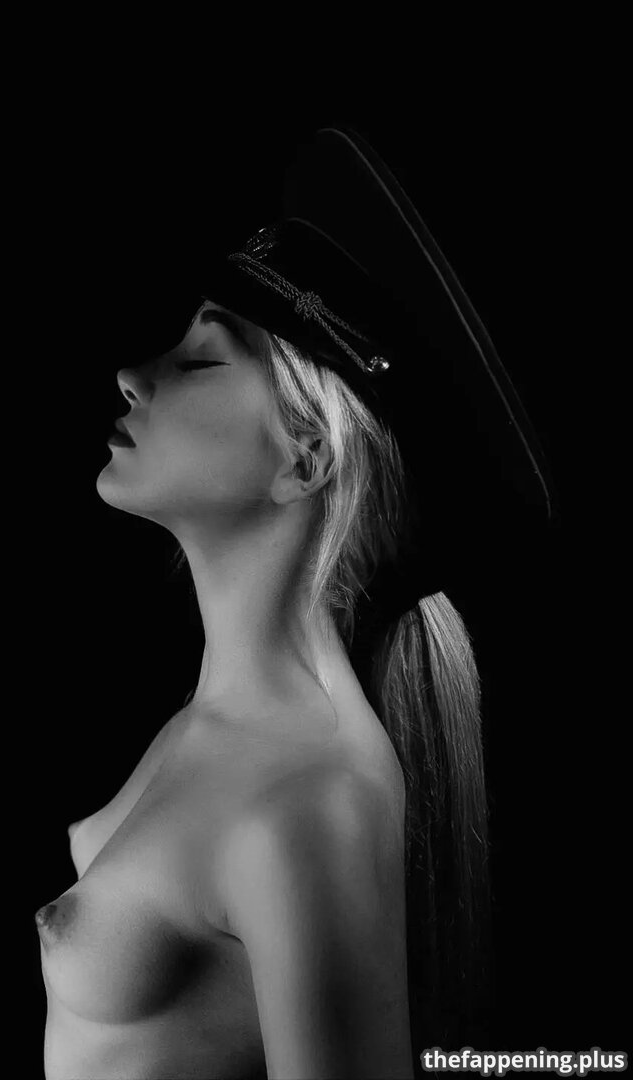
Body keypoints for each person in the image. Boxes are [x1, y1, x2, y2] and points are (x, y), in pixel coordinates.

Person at [35, 127, 557, 1079]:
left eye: (201, 361)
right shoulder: (214, 726)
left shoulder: (312, 800)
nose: (133, 374)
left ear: (305, 459)